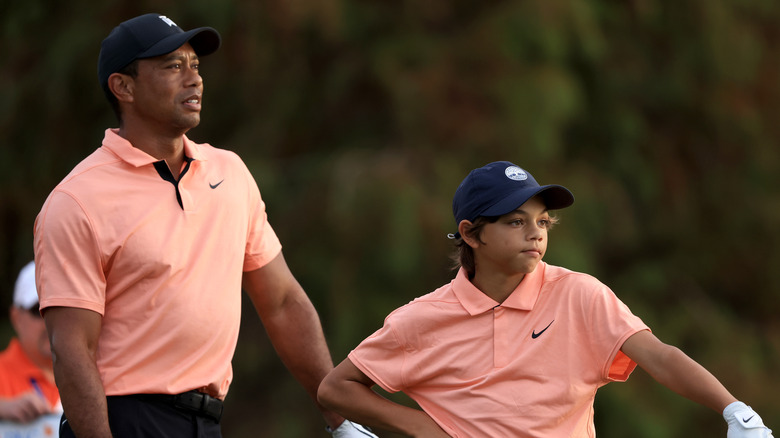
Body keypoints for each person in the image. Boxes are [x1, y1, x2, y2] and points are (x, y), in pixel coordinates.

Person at [33, 13, 374, 438]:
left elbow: (283, 302)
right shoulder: (76, 201)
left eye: (195, 65)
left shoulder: (230, 172)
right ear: (123, 87)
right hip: (123, 420)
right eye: (173, 66)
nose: (193, 79)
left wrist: (339, 417)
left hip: (206, 421)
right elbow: (72, 350)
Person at [317, 161, 774, 437]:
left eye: (542, 222)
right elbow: (336, 387)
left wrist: (734, 409)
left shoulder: (579, 294)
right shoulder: (420, 319)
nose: (535, 233)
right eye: (515, 222)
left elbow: (660, 357)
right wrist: (418, 427)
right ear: (472, 234)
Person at [0, 261, 61, 423]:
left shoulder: (98, 373)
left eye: (59, 308)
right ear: (16, 317)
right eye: (38, 310)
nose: (50, 320)